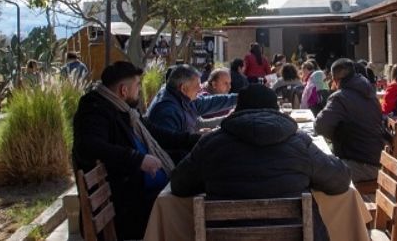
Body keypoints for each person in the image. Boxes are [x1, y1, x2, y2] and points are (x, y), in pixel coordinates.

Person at [170, 84, 349, 241]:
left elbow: (179, 184)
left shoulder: (211, 144)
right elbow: (340, 180)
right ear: (275, 109)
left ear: (237, 108)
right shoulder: (299, 143)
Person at [72, 61, 200, 240]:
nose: (139, 90)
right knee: (193, 210)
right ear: (124, 90)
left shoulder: (125, 111)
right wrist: (137, 159)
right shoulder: (95, 111)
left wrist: (197, 140)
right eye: (137, 85)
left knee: (194, 191)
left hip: (142, 194)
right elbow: (88, 147)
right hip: (128, 207)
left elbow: (156, 133)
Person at [315, 58, 386, 182]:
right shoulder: (370, 92)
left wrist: (335, 135)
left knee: (315, 174)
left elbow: (320, 126)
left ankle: (344, 202)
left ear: (335, 79)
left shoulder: (340, 97)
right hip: (375, 159)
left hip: (359, 164)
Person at [147, 64, 237, 134]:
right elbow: (171, 147)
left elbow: (210, 103)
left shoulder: (184, 97)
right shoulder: (167, 111)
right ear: (183, 88)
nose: (200, 88)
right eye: (197, 85)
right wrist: (196, 138)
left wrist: (239, 98)